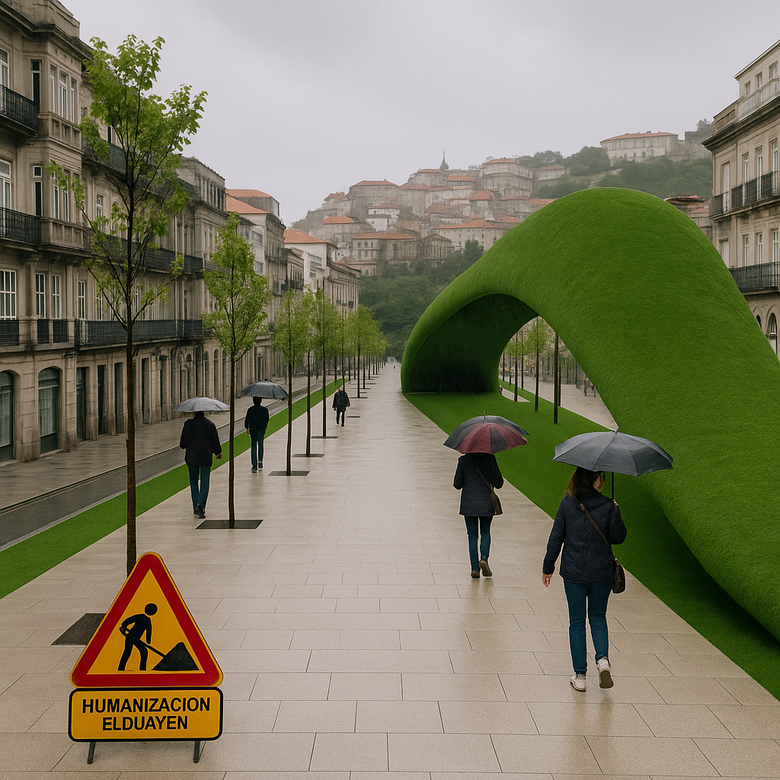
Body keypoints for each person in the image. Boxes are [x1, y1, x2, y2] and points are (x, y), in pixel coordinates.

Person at [542, 467, 627, 692]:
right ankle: (603, 660)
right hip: (601, 573)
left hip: (574, 572)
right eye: (602, 477)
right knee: (598, 617)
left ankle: (580, 675)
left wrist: (548, 566)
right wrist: (615, 509)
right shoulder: (608, 505)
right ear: (596, 478)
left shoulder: (568, 503)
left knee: (577, 621)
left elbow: (556, 537)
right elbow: (619, 537)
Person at [453, 451, 504, 578]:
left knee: (472, 535)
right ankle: (484, 558)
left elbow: (457, 484)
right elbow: (499, 483)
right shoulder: (490, 459)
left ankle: (474, 568)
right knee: (485, 532)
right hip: (486, 502)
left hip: (469, 503)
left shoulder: (463, 460)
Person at [179, 410, 222, 518]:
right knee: (205, 481)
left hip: (191, 457)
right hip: (205, 456)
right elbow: (214, 440)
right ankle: (201, 505)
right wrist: (218, 452)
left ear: (193, 413)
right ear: (204, 412)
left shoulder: (188, 424)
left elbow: (182, 444)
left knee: (193, 481)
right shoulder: (210, 424)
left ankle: (195, 505)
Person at [244, 397, 269, 472]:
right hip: (261, 429)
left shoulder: (250, 409)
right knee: (261, 445)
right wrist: (264, 427)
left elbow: (247, 420)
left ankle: (254, 465)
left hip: (253, 429)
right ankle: (260, 461)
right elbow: (266, 419)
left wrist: (247, 427)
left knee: (254, 446)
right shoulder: (264, 410)